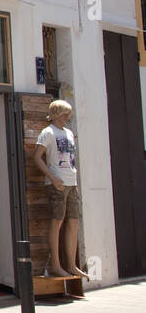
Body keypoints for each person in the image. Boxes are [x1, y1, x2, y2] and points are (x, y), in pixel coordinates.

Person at [35, 99, 88, 279]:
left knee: (73, 221)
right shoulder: (47, 132)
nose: (67, 117)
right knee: (57, 221)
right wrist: (52, 177)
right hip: (57, 183)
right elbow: (37, 157)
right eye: (65, 114)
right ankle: (56, 265)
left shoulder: (69, 133)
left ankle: (71, 264)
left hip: (72, 182)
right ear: (56, 113)